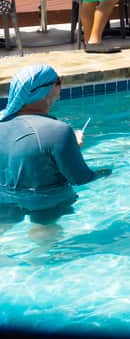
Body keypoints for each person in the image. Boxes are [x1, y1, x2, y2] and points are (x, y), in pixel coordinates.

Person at [0, 64, 111, 239]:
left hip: (4, 198)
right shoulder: (59, 131)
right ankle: (38, 263)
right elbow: (80, 179)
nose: (61, 86)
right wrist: (106, 172)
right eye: (58, 81)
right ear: (45, 90)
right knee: (45, 233)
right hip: (45, 201)